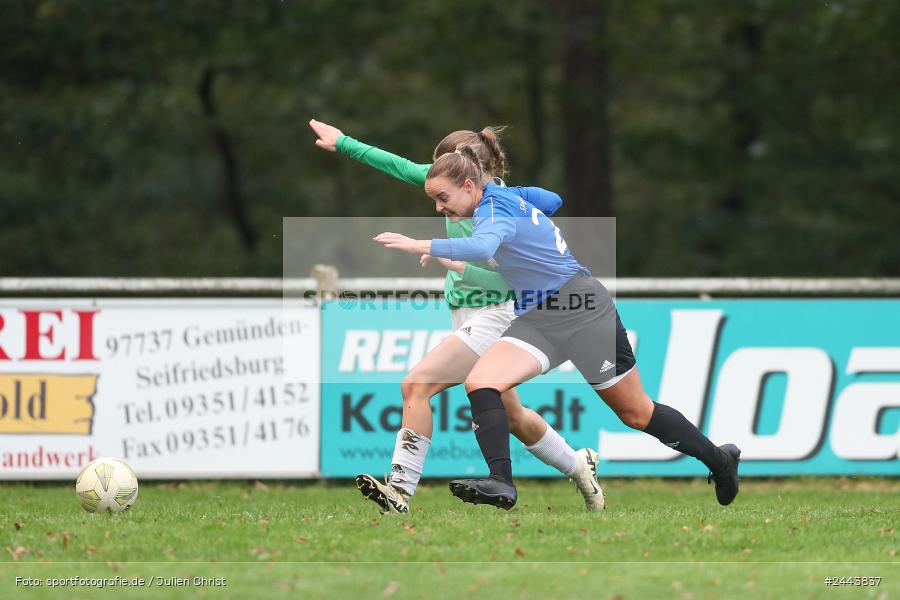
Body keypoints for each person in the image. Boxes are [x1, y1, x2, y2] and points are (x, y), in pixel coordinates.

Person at [373, 146, 742, 510]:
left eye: (442, 197)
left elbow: (482, 244)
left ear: (469, 185)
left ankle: (720, 460)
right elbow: (551, 200)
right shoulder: (504, 196)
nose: (439, 207)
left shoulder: (494, 206)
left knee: (636, 414)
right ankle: (501, 482)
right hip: (538, 314)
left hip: (581, 308)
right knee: (482, 382)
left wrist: (418, 243)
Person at [309, 119, 605, 513]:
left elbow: (507, 273)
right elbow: (396, 165)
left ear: (469, 175)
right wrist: (344, 143)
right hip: (466, 311)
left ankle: (399, 490)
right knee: (513, 414)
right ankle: (578, 465)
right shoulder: (448, 183)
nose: (433, 184)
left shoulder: (500, 207)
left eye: (441, 169)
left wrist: (451, 260)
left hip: (497, 311)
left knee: (417, 385)